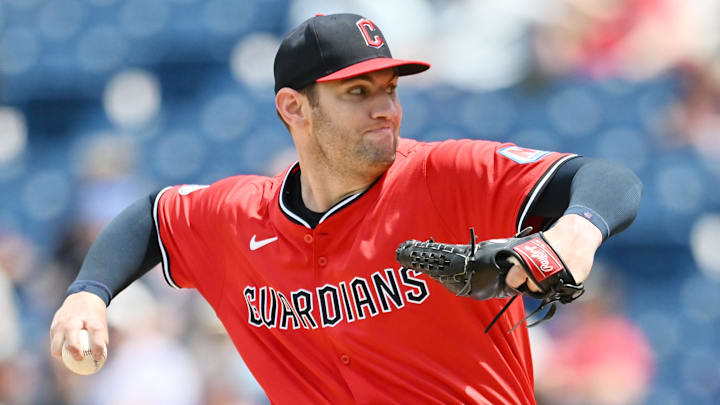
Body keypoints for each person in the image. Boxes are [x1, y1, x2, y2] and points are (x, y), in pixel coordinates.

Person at [49, 13, 642, 404]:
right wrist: (88, 292)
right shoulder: (241, 218)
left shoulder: (448, 174)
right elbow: (152, 218)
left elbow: (606, 179)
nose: (384, 107)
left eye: (389, 88)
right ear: (293, 108)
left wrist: (574, 233)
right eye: (358, 93)